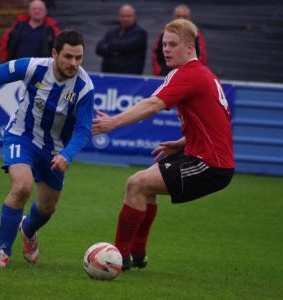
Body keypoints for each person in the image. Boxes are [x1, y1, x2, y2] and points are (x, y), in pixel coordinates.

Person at [92, 19, 234, 271]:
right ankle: (137, 254)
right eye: (164, 44)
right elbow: (218, 121)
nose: (165, 49)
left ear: (190, 47)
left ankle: (116, 259)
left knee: (136, 184)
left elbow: (152, 104)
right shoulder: (203, 74)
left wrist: (113, 123)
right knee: (145, 186)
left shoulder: (188, 73)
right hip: (199, 154)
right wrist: (182, 142)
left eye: (172, 44)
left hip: (210, 165)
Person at [0, 30, 94, 267]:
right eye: (68, 57)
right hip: (23, 136)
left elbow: (83, 130)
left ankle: (27, 229)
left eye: (79, 58)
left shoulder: (84, 87)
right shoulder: (32, 67)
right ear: (54, 54)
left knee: (47, 207)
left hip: (56, 150)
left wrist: (67, 155)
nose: (74, 63)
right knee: (22, 187)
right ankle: (2, 252)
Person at [152, 4, 207, 76]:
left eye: (184, 16)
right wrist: (159, 72)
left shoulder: (196, 35)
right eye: (178, 16)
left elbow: (201, 57)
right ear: (174, 17)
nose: (181, 18)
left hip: (188, 75)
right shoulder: (164, 33)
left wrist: (196, 73)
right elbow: (156, 54)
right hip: (166, 75)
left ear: (189, 18)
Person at [96, 4, 147, 75]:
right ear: (119, 17)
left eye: (129, 16)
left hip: (130, 78)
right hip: (108, 76)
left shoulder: (140, 33)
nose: (126, 18)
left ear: (134, 17)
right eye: (123, 16)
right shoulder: (112, 32)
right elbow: (99, 48)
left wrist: (109, 45)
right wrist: (116, 52)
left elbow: (127, 45)